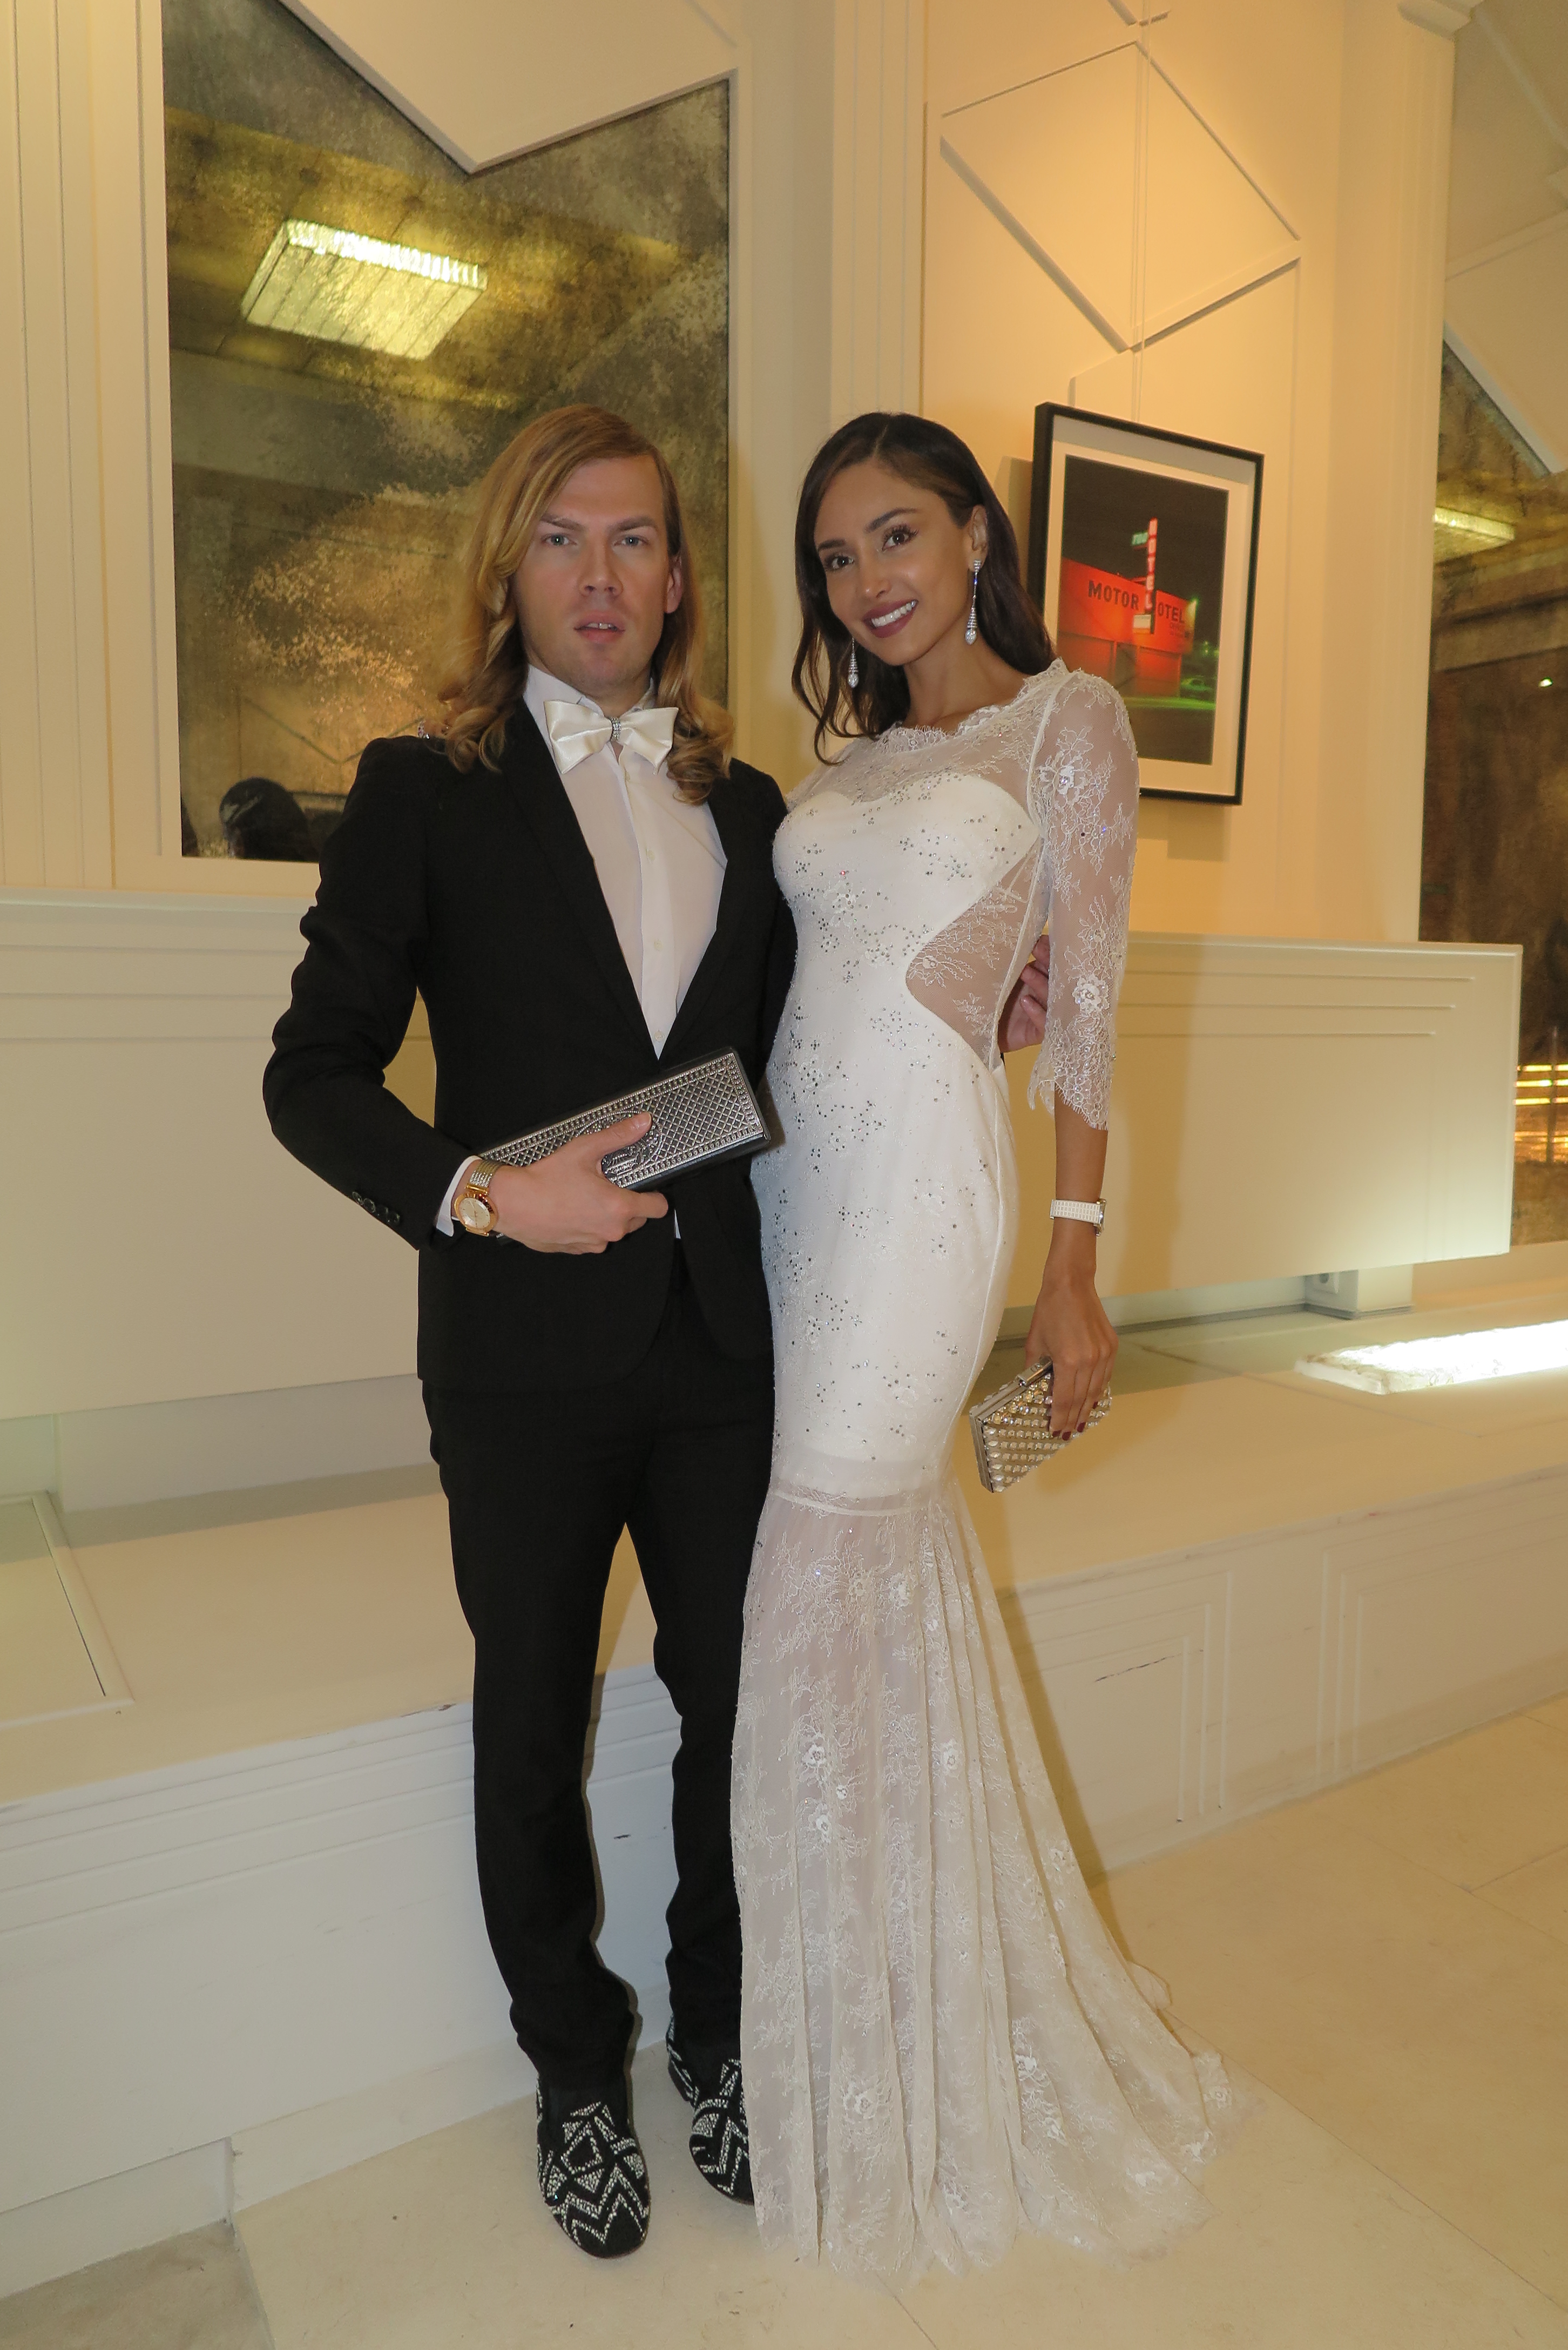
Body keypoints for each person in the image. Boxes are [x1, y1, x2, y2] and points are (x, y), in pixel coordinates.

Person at [263, 405, 796, 2259]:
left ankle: (717, 2038)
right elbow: (312, 1077)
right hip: (517, 1355)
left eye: (635, 538)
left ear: (680, 577)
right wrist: (491, 1196)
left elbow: (782, 1058)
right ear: (509, 569)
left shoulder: (752, 808)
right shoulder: (425, 786)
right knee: (531, 1725)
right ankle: (576, 2073)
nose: (601, 574)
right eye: (561, 537)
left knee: (744, 1712)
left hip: (721, 1345)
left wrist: (990, 994)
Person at [732, 412, 1241, 2283]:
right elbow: (792, 992)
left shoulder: (1070, 724)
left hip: (923, 1199)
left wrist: (1076, 1270)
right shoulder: (844, 760)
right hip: (786, 1182)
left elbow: (1084, 1011)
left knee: (822, 1556)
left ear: (971, 532)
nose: (867, 580)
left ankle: (881, 2055)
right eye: (835, 556)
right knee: (839, 1572)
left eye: (895, 535)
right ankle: (866, 1998)